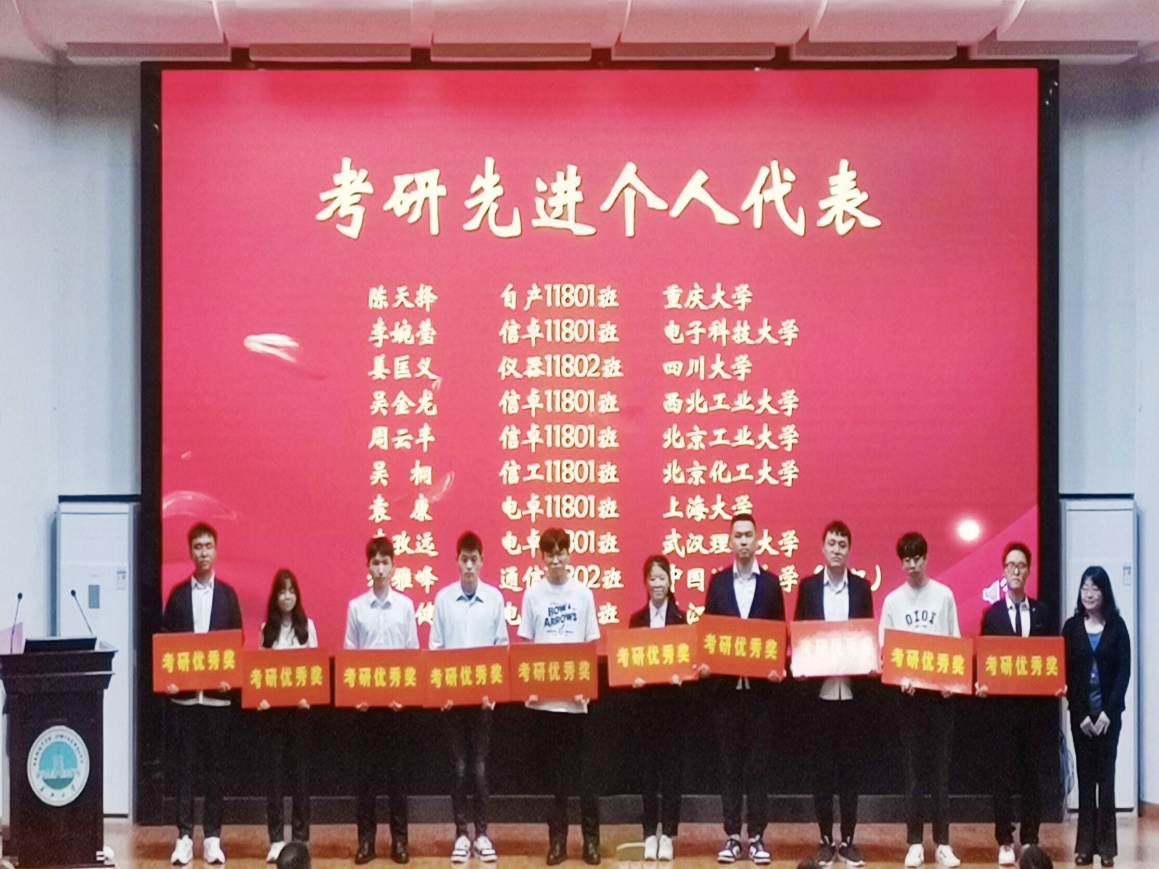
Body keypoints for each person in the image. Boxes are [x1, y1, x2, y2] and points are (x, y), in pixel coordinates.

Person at [702, 512, 785, 866]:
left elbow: (780, 634)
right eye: (738, 536)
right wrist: (707, 663)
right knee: (730, 766)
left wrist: (778, 666)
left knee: (759, 767)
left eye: (749, 535)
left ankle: (759, 836)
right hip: (726, 693)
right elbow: (709, 631)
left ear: (757, 539)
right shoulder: (718, 583)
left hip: (761, 694)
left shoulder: (772, 585)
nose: (744, 541)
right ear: (730, 541)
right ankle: (733, 836)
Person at [518, 528, 602, 866]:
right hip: (545, 703)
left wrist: (585, 684)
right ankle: (557, 842)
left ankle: (591, 842)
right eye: (550, 555)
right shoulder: (533, 595)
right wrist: (529, 685)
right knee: (555, 780)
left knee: (585, 777)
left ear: (569, 554)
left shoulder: (583, 594)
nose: (556, 560)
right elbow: (526, 645)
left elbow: (590, 644)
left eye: (561, 553)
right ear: (542, 558)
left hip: (576, 702)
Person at [878, 532, 961, 869]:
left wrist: (951, 683)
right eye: (907, 560)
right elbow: (887, 650)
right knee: (913, 774)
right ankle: (914, 843)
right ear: (901, 563)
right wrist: (900, 678)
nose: (912, 565)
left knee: (940, 774)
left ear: (926, 559)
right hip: (909, 699)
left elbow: (954, 642)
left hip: (940, 700)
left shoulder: (944, 595)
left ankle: (943, 844)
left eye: (917, 558)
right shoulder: (893, 601)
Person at [793, 521, 873, 868]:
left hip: (853, 695)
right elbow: (799, 634)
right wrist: (799, 662)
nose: (837, 549)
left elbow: (867, 634)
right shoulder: (809, 588)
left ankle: (850, 840)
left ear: (848, 550)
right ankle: (825, 840)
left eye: (842, 544)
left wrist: (869, 660)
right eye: (832, 543)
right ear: (822, 548)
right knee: (822, 773)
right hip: (819, 696)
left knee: (851, 772)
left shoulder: (862, 588)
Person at [163, 522, 243, 867]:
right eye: (198, 546)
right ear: (190, 551)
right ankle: (183, 837)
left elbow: (236, 641)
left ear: (216, 550)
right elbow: (166, 642)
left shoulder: (228, 595)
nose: (204, 552)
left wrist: (230, 678)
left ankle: (212, 837)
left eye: (208, 546)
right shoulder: (178, 595)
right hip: (184, 699)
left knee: (215, 770)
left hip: (216, 699)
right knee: (184, 769)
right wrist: (168, 679)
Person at [429, 532, 510, 864]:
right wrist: (443, 692)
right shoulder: (443, 599)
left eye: (474, 559)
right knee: (459, 768)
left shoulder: (494, 599)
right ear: (457, 561)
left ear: (482, 561)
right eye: (464, 559)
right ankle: (461, 834)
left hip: (483, 701)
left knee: (479, 768)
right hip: (452, 702)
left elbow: (500, 646)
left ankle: (483, 834)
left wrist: (494, 691)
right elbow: (436, 648)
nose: (469, 566)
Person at [976, 543, 1055, 866]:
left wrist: (1057, 682)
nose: (1016, 571)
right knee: (1003, 777)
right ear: (1004, 571)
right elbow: (984, 658)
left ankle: (1031, 838)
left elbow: (1051, 659)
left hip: (1034, 712)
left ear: (1029, 570)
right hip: (1002, 712)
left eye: (1021, 565)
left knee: (1032, 775)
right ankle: (1005, 839)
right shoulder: (992, 614)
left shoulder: (1042, 613)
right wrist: (981, 683)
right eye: (1011, 565)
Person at [345, 537, 419, 865]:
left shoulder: (405, 606)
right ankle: (366, 841)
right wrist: (356, 696)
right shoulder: (356, 607)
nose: (380, 569)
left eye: (385, 562)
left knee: (397, 777)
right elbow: (350, 655)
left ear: (393, 567)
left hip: (396, 708)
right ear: (368, 567)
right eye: (374, 563)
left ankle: (400, 841)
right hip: (366, 709)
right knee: (366, 779)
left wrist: (405, 695)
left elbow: (411, 653)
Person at [1062, 566, 1131, 868]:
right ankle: (1084, 847)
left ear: (1105, 593)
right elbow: (1065, 673)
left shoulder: (1117, 626)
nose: (1088, 594)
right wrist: (1080, 714)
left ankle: (1107, 849)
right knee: (1086, 781)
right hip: (1082, 719)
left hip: (1109, 719)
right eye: (1084, 588)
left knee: (1107, 780)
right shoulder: (1071, 627)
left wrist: (1108, 713)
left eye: (1095, 588)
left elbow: (1123, 673)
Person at [627, 555, 687, 862]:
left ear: (670, 581)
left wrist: (682, 677)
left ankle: (669, 834)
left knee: (672, 774)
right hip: (646, 710)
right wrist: (634, 678)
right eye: (653, 578)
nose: (658, 584)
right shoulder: (636, 620)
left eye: (662, 578)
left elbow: (688, 663)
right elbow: (628, 661)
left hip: (673, 710)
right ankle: (649, 832)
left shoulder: (680, 620)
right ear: (646, 583)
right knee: (648, 773)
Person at [259, 569, 319, 863]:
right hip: (274, 715)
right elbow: (259, 673)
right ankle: (275, 839)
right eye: (282, 591)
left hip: (299, 713)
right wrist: (261, 698)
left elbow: (315, 670)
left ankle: (300, 837)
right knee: (274, 776)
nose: (287, 596)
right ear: (275, 596)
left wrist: (310, 696)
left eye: (291, 591)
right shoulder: (266, 630)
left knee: (300, 775)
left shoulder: (308, 628)